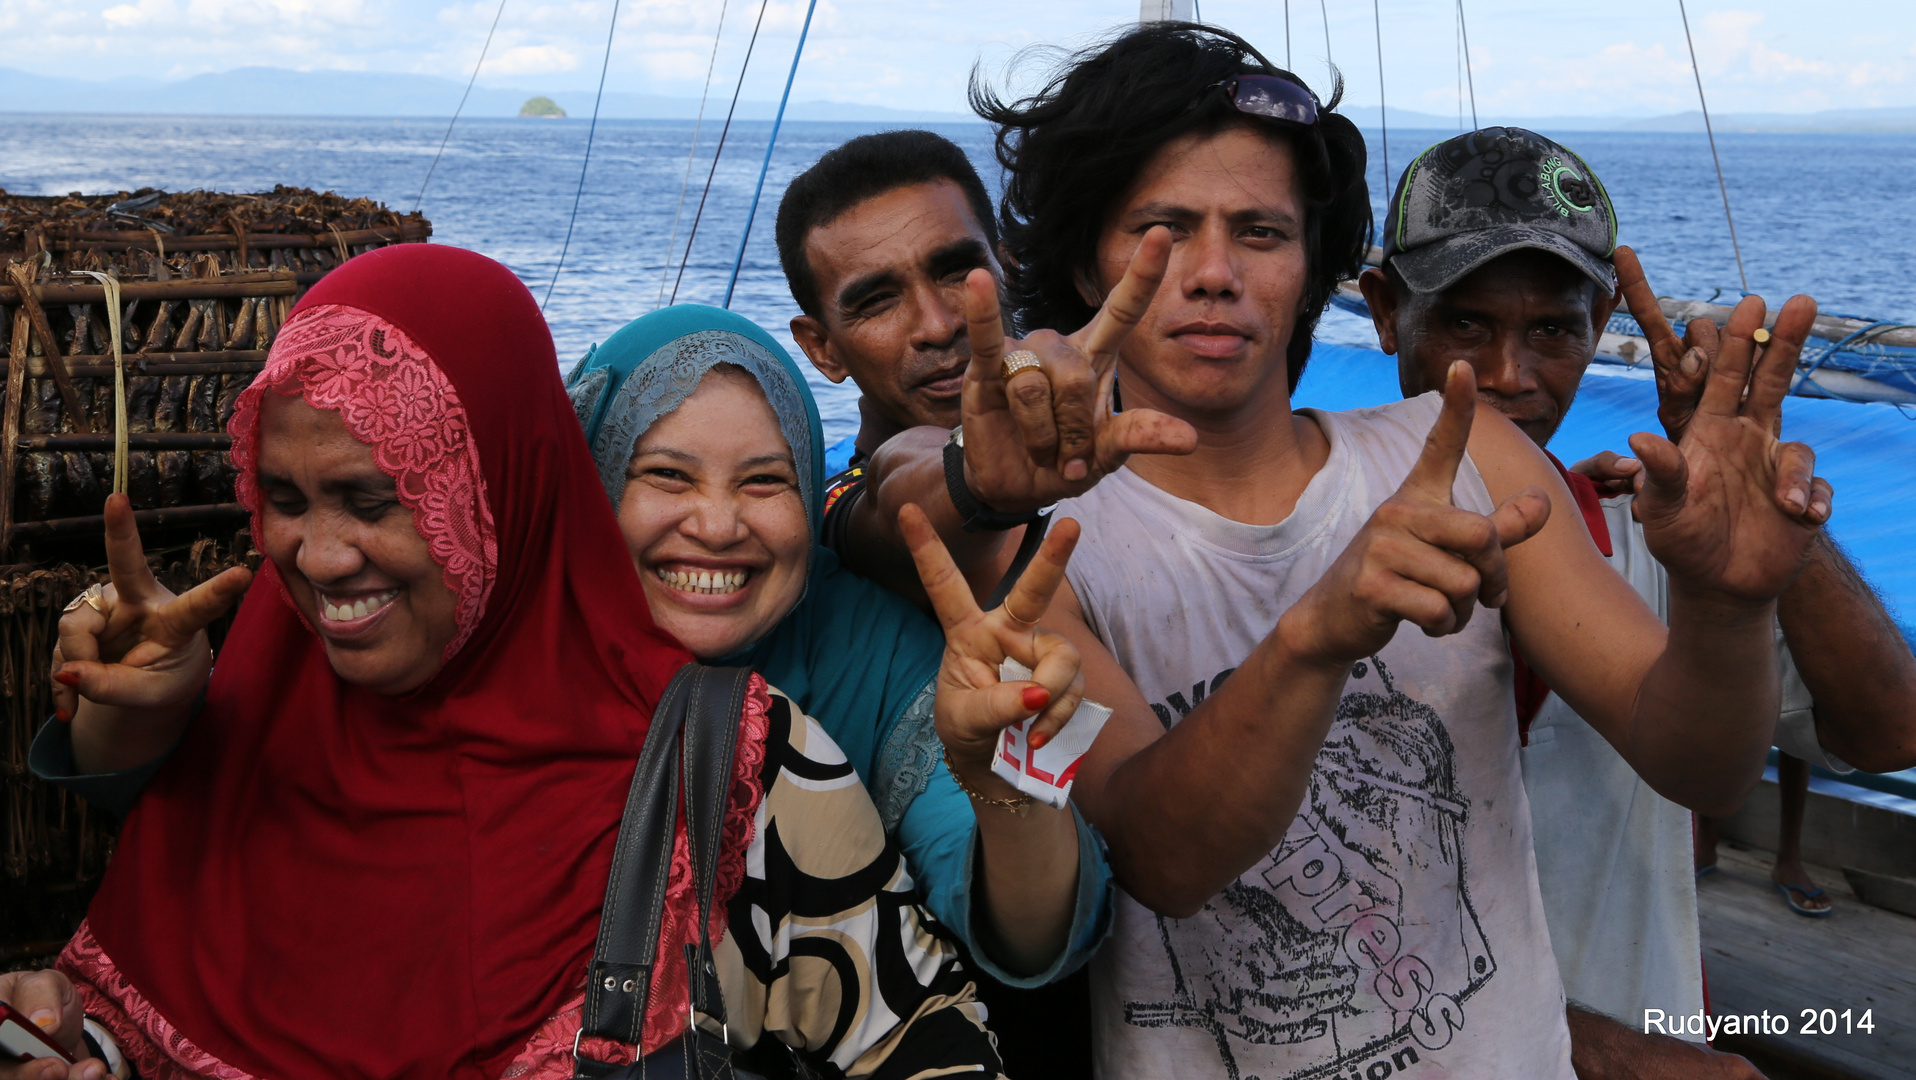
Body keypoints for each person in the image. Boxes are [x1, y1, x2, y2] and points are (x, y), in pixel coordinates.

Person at [836, 22, 1835, 1079]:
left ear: (1312, 263)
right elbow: (1159, 856)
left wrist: (1727, 606)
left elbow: (1699, 761)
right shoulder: (1031, 541)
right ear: (1086, 259)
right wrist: (1316, 635)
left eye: (1260, 232)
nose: (1213, 273)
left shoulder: (1463, 454)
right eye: (1161, 229)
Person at [2, 244, 1078, 1079]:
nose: (320, 555)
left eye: (378, 500)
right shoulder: (252, 721)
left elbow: (940, 1029)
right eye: (284, 500)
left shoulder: (739, 761)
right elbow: (129, 1009)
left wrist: (1011, 782)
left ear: (506, 492)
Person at [1355, 124, 1916, 1077]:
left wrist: (1774, 523)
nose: (1509, 377)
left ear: (1601, 320)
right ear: (1382, 311)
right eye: (1463, 324)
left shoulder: (1645, 544)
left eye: (1552, 330)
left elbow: (1888, 731)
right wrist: (1604, 1052)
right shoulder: (1311, 563)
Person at [564, 302, 1111, 984]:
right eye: (668, 475)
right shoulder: (509, 649)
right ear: (593, 485)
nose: (716, 525)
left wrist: (1012, 784)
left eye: (766, 480)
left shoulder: (872, 651)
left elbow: (1036, 938)